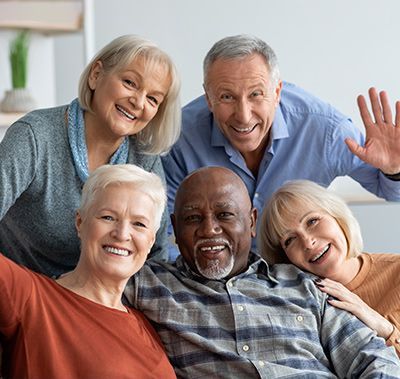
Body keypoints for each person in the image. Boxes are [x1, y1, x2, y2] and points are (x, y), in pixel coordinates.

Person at [124, 166, 400, 378]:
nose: (209, 229)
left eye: (225, 215)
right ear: (174, 227)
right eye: (193, 218)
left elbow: (375, 359)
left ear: (251, 221)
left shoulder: (305, 286)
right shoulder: (148, 283)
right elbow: (88, 282)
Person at [161, 34, 400, 258]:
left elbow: (390, 192)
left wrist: (394, 170)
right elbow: (161, 231)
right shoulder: (180, 138)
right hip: (216, 275)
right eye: (226, 97)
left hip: (302, 268)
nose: (243, 116)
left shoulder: (325, 130)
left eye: (256, 94)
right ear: (208, 98)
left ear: (276, 92)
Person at [0, 34, 181, 277]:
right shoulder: (35, 136)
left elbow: (155, 256)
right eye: (129, 82)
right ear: (96, 74)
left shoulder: (145, 160)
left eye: (152, 98)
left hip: (103, 297)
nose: (138, 102)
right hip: (22, 289)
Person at [0, 164, 176, 379]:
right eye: (108, 217)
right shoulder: (31, 297)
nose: (122, 234)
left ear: (151, 241)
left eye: (139, 224)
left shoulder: (148, 325)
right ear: (80, 222)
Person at [258, 179, 400, 356]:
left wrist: (383, 328)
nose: (308, 242)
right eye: (290, 239)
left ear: (337, 216)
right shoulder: (292, 305)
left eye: (312, 221)